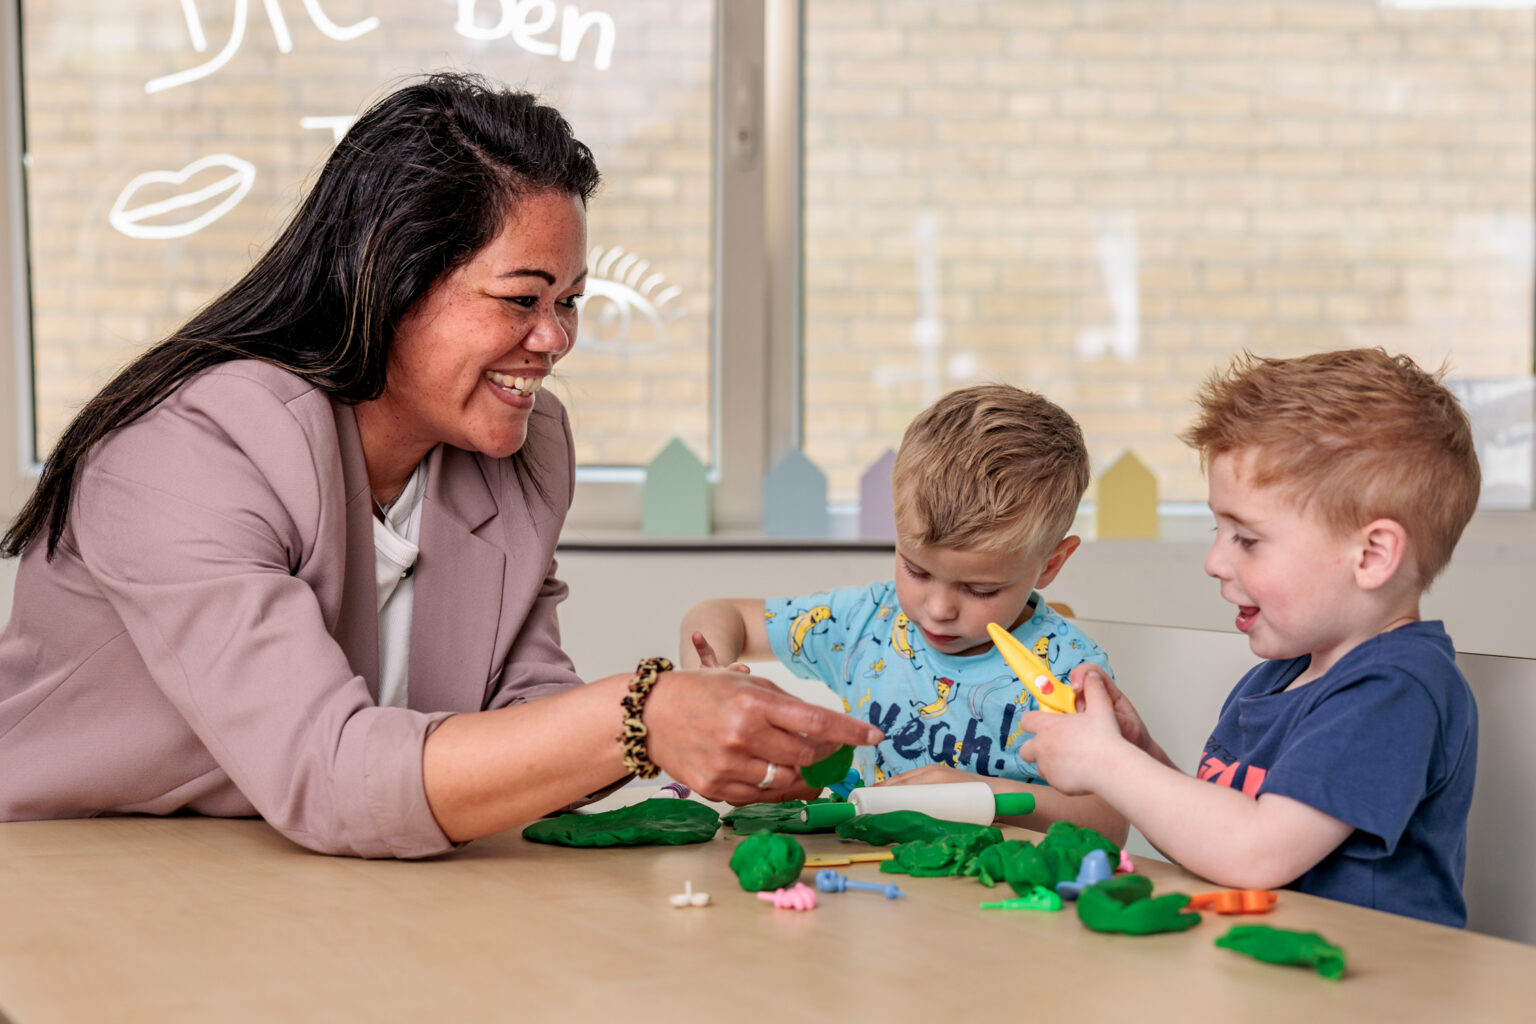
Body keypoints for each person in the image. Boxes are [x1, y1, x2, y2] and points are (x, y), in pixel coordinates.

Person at [0, 72, 879, 859]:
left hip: (296, 881)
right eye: (522, 299)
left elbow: (525, 712)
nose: (556, 340)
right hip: (72, 871)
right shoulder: (186, 452)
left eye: (570, 302)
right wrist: (641, 714)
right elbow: (328, 773)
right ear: (391, 278)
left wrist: (696, 723)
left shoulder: (521, 453)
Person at [1019, 348, 1480, 926]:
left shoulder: (1396, 690)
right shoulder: (1279, 677)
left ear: (1372, 554)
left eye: (1248, 539)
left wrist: (1108, 765)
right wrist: (1143, 758)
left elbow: (1257, 852)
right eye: (1219, 530)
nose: (1214, 561)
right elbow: (1215, 841)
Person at [680, 384, 1126, 843]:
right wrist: (705, 685)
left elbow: (1110, 821)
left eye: (980, 589)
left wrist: (985, 794)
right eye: (916, 570)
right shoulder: (865, 622)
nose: (937, 609)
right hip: (874, 892)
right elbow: (717, 614)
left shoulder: (1070, 672)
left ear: (1050, 563)